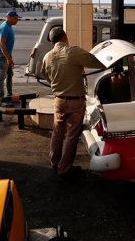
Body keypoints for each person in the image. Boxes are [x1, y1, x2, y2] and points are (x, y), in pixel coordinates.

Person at [41, 27, 104, 179]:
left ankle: (55, 162)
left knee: (57, 132)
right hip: (75, 101)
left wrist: (56, 84)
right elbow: (96, 62)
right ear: (65, 37)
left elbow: (44, 73)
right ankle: (64, 168)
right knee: (71, 135)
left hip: (58, 100)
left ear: (52, 41)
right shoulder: (72, 52)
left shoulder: (47, 57)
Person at [0, 10, 20, 100]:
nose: (17, 20)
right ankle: (1, 98)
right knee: (2, 77)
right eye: (16, 18)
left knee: (10, 75)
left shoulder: (8, 26)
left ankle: (9, 95)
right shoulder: (5, 27)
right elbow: (2, 44)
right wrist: (8, 59)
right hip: (2, 57)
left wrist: (10, 57)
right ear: (10, 18)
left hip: (6, 56)